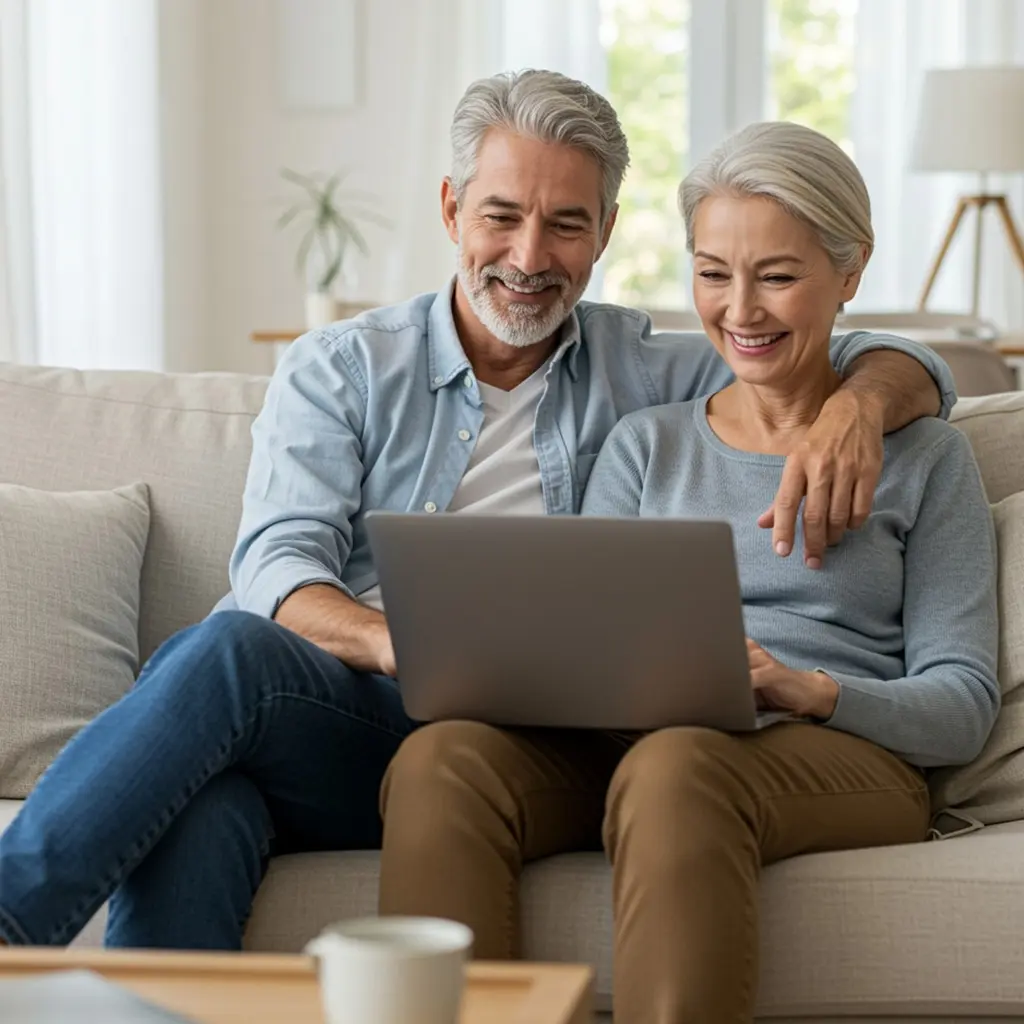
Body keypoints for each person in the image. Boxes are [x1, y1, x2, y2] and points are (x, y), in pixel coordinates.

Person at [0, 73, 953, 953]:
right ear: (453, 209)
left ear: (607, 232)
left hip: (501, 745)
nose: (529, 258)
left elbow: (851, 347)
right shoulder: (342, 367)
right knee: (220, 693)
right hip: (343, 705)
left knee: (214, 759)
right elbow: (279, 568)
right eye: (501, 215)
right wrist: (396, 643)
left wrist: (860, 410)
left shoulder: (656, 369)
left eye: (566, 225)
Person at [375, 120, 999, 1023]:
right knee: (442, 760)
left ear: (851, 271)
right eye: (713, 273)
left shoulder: (926, 459)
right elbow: (579, 641)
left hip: (837, 754)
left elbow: (962, 704)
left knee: (676, 767)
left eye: (777, 276)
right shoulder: (645, 446)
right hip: (638, 748)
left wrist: (803, 688)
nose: (739, 311)